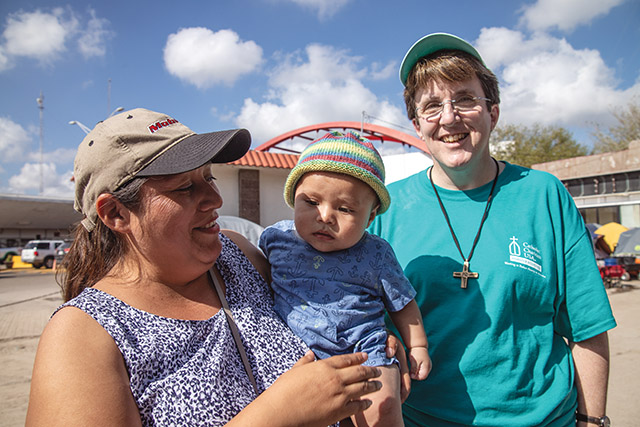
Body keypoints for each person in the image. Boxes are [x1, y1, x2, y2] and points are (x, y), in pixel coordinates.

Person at [25, 108, 407, 427]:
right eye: (184, 188)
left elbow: (324, 295)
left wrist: (374, 337)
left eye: (208, 177)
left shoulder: (238, 255)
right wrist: (274, 417)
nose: (215, 197)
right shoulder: (83, 337)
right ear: (116, 213)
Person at [368, 33, 617, 427]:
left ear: (493, 113)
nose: (449, 117)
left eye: (466, 99)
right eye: (432, 106)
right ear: (417, 126)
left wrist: (591, 421)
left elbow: (588, 327)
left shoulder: (544, 196)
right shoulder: (384, 210)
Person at [259, 131, 431, 427]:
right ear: (293, 199)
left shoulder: (376, 253)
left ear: (371, 216)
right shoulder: (276, 240)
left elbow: (402, 304)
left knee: (383, 408)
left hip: (363, 350)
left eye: (345, 208)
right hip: (295, 355)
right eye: (311, 201)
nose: (325, 216)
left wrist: (418, 347)